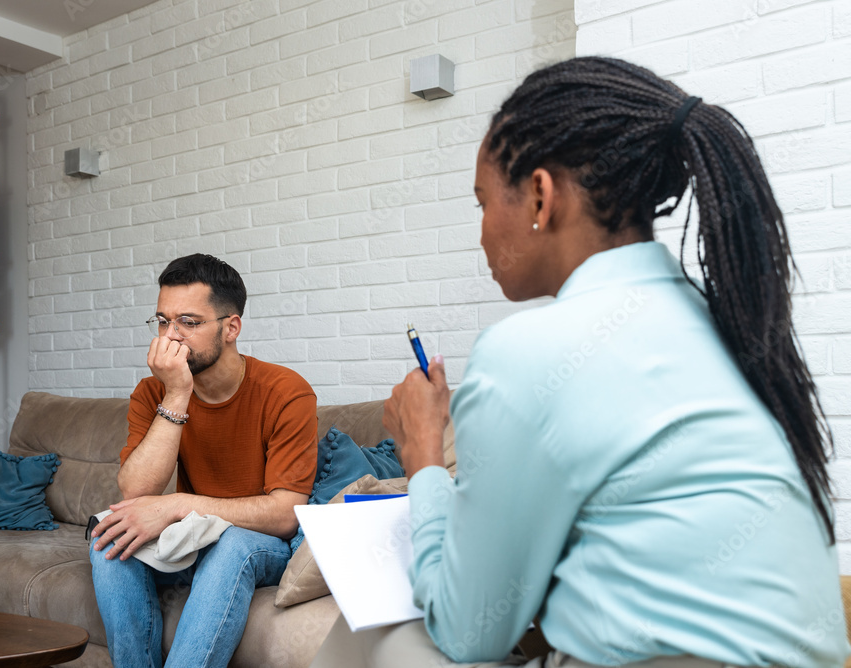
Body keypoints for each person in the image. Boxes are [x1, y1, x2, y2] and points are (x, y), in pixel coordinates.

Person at [312, 56, 850, 668]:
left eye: (482, 203)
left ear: (542, 195)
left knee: (376, 635)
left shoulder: (526, 352)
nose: (483, 232)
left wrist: (425, 455)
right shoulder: (727, 327)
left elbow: (468, 631)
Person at [89, 254, 318, 668]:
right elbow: (137, 493)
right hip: (192, 537)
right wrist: (177, 395)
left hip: (258, 541)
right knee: (108, 536)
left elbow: (287, 513)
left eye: (189, 323)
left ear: (231, 328)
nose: (171, 337)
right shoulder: (152, 392)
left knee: (233, 545)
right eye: (163, 321)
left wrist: (179, 505)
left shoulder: (286, 391)